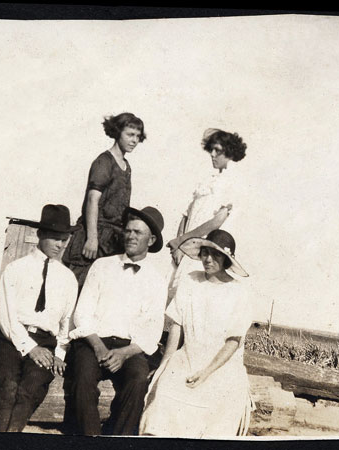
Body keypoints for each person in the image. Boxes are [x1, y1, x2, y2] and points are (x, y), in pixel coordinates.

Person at [66, 206, 170, 435]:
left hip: (129, 348)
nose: (131, 236)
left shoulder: (156, 280)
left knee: (138, 380)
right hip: (93, 342)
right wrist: (99, 347)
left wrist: (123, 354)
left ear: (151, 240)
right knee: (82, 378)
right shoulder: (102, 266)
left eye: (138, 233)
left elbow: (152, 330)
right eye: (129, 231)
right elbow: (82, 313)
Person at [140, 229, 252, 438]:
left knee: (217, 407)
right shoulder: (191, 280)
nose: (208, 259)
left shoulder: (239, 291)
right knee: (163, 396)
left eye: (215, 254)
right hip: (187, 357)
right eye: (204, 253)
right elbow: (177, 325)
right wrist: (166, 364)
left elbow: (234, 341)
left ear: (227, 259)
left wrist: (207, 371)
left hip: (222, 366)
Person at [0, 204, 79, 432]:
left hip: (46, 341)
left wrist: (59, 354)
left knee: (33, 386)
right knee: (6, 384)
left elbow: (66, 322)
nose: (60, 245)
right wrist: (30, 347)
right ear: (40, 235)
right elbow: (5, 315)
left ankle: (9, 437)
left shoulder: (68, 279)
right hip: (11, 337)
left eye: (64, 239)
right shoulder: (16, 269)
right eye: (55, 238)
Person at [63, 112, 147, 289]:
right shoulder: (104, 162)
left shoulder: (126, 166)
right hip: (94, 235)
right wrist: (92, 238)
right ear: (117, 133)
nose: (134, 140)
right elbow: (93, 200)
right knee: (78, 287)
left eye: (138, 136)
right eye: (130, 134)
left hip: (112, 240)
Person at [165, 128, 247, 300]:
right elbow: (186, 215)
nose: (212, 154)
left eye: (218, 150)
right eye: (212, 149)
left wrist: (182, 241)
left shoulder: (233, 181)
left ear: (230, 152)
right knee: (174, 294)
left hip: (201, 250)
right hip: (185, 248)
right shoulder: (209, 180)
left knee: (190, 294)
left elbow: (216, 222)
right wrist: (179, 244)